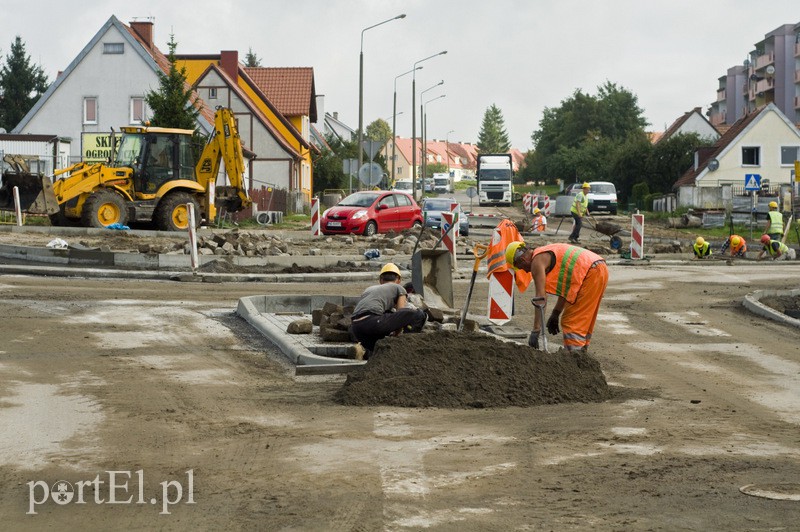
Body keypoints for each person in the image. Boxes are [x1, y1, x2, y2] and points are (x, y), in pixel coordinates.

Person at [505, 241, 608, 352]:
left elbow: (540, 297)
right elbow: (566, 289)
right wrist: (556, 313)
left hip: (590, 272)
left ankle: (574, 357)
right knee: (583, 318)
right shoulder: (546, 252)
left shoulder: (537, 261)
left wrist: (536, 330)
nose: (524, 271)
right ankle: (581, 354)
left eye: (520, 267)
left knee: (570, 321)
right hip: (599, 268)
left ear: (522, 260)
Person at [350, 263, 427, 357]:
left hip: (356, 328)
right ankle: (407, 350)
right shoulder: (399, 288)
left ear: (380, 280)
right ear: (398, 280)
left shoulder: (369, 289)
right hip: (373, 322)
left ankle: (367, 353)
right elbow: (401, 314)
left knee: (382, 348)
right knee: (418, 314)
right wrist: (397, 335)